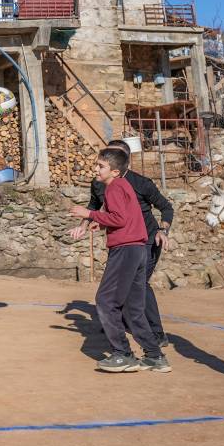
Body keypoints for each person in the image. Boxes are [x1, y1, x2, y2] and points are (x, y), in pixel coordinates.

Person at [69, 147, 171, 373]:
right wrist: (102, 223)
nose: (96, 169)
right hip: (138, 250)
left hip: (125, 250)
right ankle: (154, 356)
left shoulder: (114, 188)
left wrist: (90, 214)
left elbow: (120, 218)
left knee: (105, 300)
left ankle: (123, 354)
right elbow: (128, 218)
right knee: (133, 308)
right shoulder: (124, 186)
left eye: (101, 166)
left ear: (115, 171)